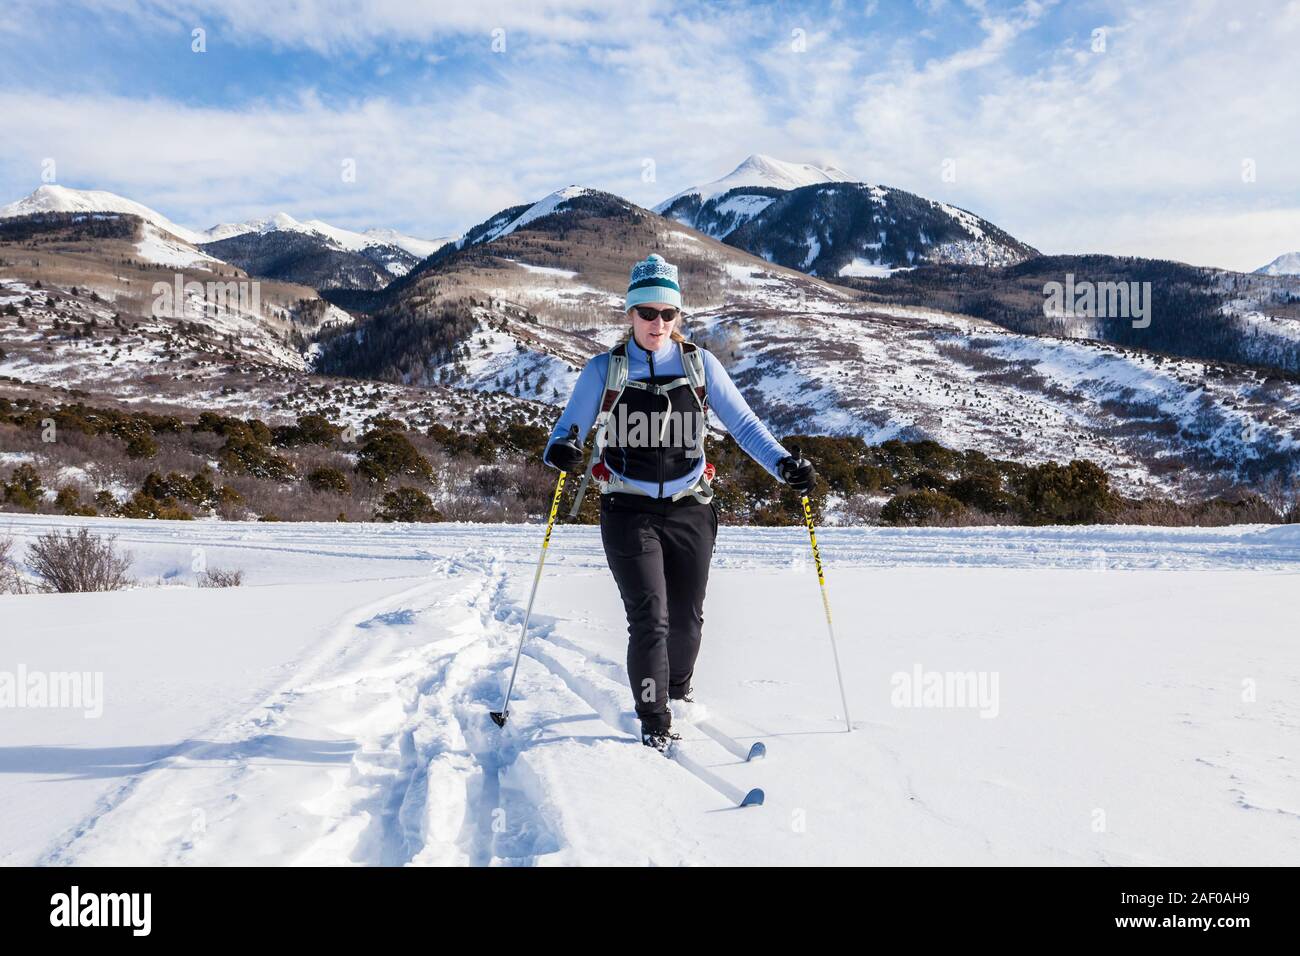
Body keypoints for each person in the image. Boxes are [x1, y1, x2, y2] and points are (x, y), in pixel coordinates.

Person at [542, 252, 817, 751]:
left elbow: (744, 424)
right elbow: (567, 432)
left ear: (679, 317)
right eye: (647, 312)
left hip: (692, 506)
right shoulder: (605, 370)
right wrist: (563, 448)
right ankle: (652, 716)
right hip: (628, 509)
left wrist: (784, 464)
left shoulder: (700, 366)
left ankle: (677, 691)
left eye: (668, 314)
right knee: (650, 616)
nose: (657, 323)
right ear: (630, 314)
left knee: (687, 619)